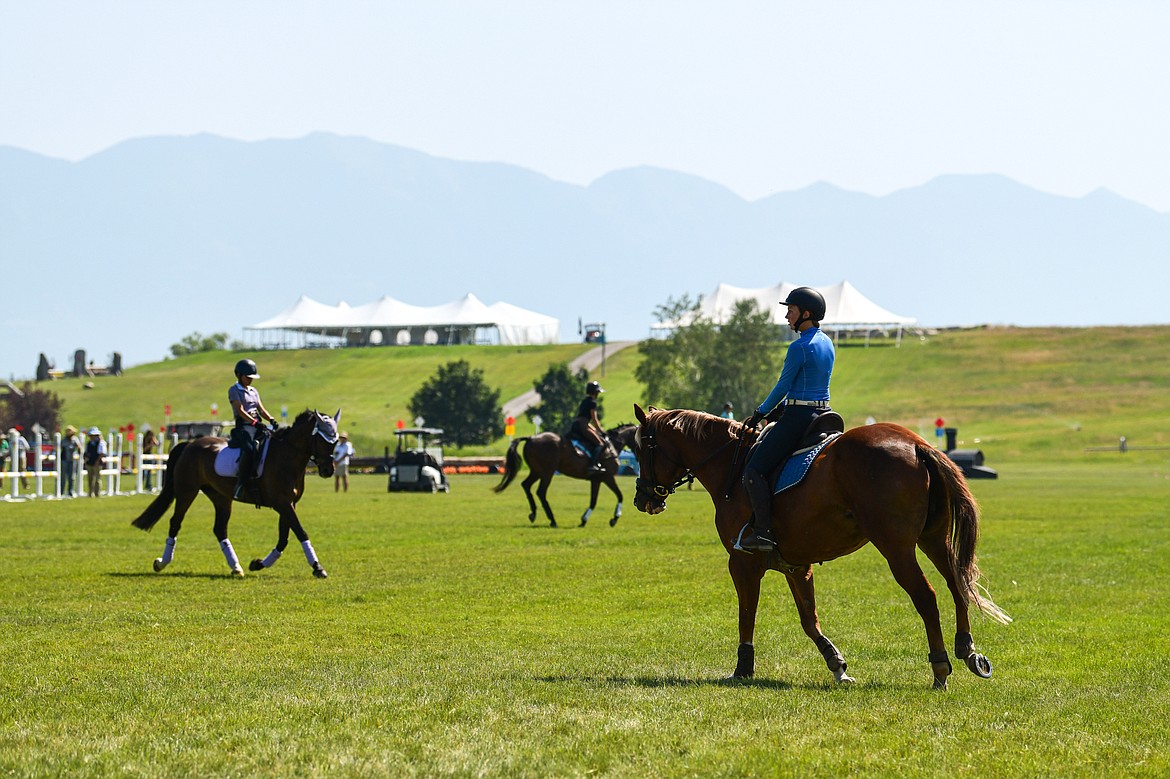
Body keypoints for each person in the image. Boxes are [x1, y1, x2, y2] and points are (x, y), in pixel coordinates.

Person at [737, 287, 835, 553]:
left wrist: (761, 411)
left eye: (790, 311)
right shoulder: (827, 342)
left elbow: (783, 386)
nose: (787, 316)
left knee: (753, 470)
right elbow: (809, 384)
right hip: (824, 414)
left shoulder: (799, 347)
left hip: (799, 417)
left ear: (805, 313)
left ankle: (764, 533)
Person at [228, 358, 278, 499]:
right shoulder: (234, 390)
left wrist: (271, 419)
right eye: (247, 377)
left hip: (257, 425)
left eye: (252, 378)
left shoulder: (253, 391)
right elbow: (240, 410)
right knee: (250, 450)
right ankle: (241, 483)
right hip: (244, 427)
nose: (250, 380)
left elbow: (261, 409)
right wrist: (254, 422)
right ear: (238, 375)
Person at [570, 380, 608, 473]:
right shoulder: (592, 402)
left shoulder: (584, 401)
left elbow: (584, 418)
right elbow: (594, 419)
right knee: (600, 444)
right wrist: (601, 431)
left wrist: (594, 430)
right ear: (595, 392)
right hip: (583, 425)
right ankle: (592, 465)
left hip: (577, 424)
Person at [83, 427, 106, 497]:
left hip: (97, 463)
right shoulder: (89, 443)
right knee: (90, 479)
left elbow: (101, 453)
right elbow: (86, 453)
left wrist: (97, 462)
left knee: (97, 479)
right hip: (89, 462)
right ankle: (90, 493)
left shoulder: (101, 443)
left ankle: (97, 493)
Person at [60, 425, 82, 497]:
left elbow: (79, 447)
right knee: (63, 477)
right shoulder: (63, 440)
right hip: (64, 460)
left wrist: (79, 448)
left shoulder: (74, 439)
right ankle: (61, 491)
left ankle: (70, 491)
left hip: (71, 460)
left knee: (71, 477)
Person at [141, 424, 158, 490]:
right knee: (143, 472)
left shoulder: (151, 439)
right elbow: (144, 449)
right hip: (145, 455)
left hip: (149, 455)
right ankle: (141, 484)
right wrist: (150, 445)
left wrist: (154, 440)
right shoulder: (145, 440)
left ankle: (148, 485)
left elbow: (157, 444)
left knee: (149, 472)